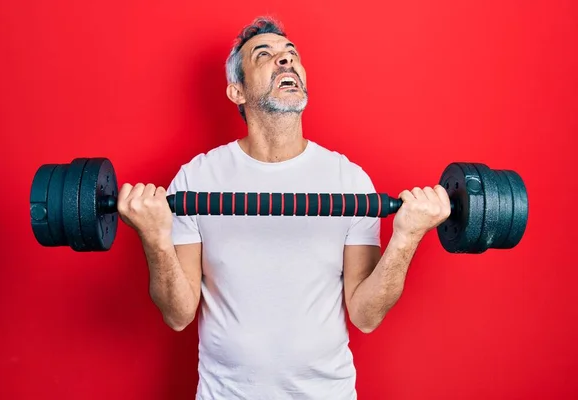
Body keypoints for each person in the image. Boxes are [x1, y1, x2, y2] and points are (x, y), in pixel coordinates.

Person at [117, 16, 450, 400]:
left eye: (291, 55)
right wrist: (155, 237)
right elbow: (178, 315)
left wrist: (406, 238)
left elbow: (366, 315)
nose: (285, 61)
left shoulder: (350, 180)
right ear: (236, 92)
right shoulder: (197, 178)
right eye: (265, 55)